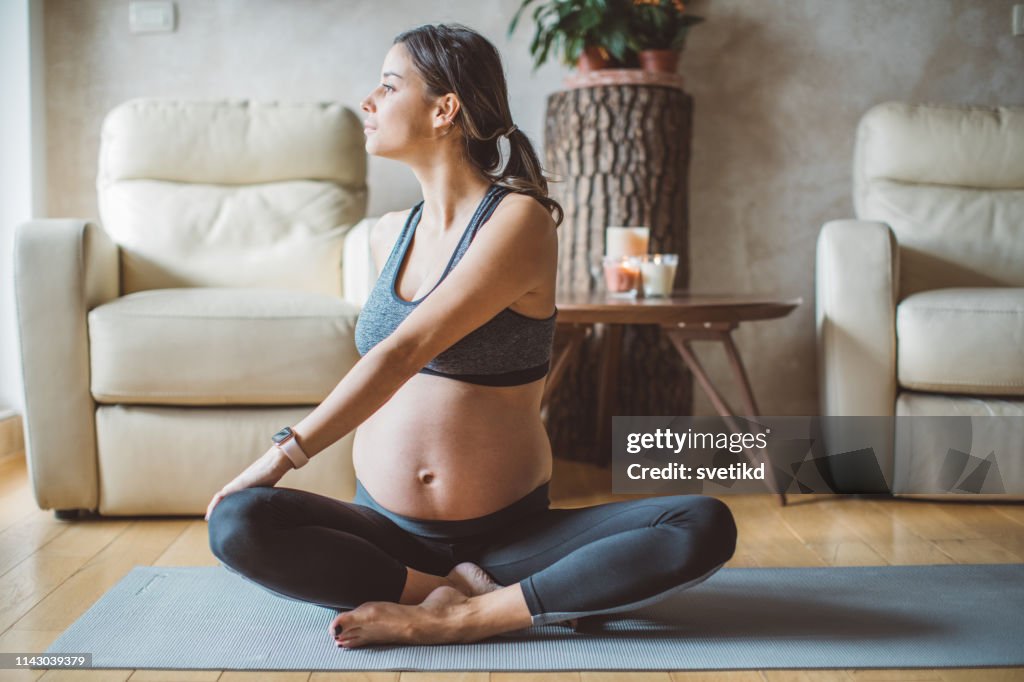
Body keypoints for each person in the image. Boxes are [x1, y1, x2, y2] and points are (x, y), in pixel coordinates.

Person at [205, 22, 737, 649]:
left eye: (387, 85)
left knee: (700, 523)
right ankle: (441, 589)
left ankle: (462, 616)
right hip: (386, 533)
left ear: (445, 108)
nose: (368, 102)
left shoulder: (518, 220)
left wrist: (278, 458)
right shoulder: (386, 235)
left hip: (508, 539)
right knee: (239, 523)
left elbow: (404, 351)